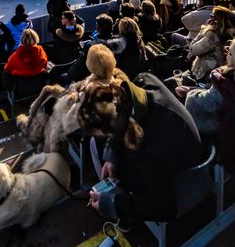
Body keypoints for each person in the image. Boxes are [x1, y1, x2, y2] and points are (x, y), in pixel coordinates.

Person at [80, 73, 202, 222]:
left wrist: (114, 204)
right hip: (173, 157)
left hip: (182, 184)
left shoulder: (154, 146)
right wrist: (113, 155)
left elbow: (164, 208)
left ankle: (123, 215)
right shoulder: (142, 83)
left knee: (121, 174)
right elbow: (121, 119)